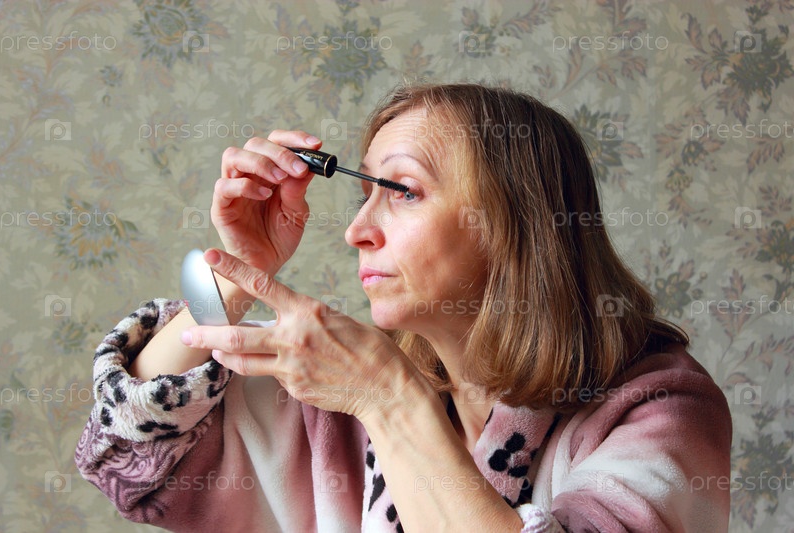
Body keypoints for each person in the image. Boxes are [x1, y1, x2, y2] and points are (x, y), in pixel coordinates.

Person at [75, 83, 732, 532]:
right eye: (365, 194)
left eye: (404, 191)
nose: (356, 230)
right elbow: (129, 454)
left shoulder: (655, 410)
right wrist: (239, 272)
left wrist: (389, 400)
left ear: (514, 224)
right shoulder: (344, 402)